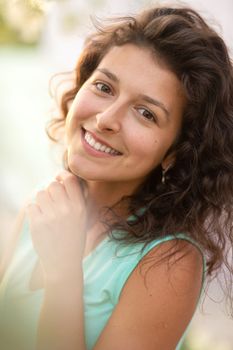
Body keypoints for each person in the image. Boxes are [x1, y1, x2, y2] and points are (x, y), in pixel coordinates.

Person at [0, 3, 233, 350]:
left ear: (176, 151)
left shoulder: (169, 263)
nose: (107, 118)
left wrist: (62, 272)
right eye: (104, 87)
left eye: (145, 113)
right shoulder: (47, 202)